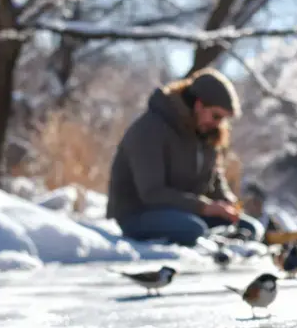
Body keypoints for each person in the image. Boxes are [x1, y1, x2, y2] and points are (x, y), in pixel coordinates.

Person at [107, 69, 263, 246]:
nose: (219, 124)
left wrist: (227, 203)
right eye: (216, 116)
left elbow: (213, 179)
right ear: (199, 105)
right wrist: (204, 207)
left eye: (223, 119)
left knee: (249, 228)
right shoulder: (151, 129)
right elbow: (152, 193)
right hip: (138, 213)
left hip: (185, 212)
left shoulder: (206, 133)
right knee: (193, 229)